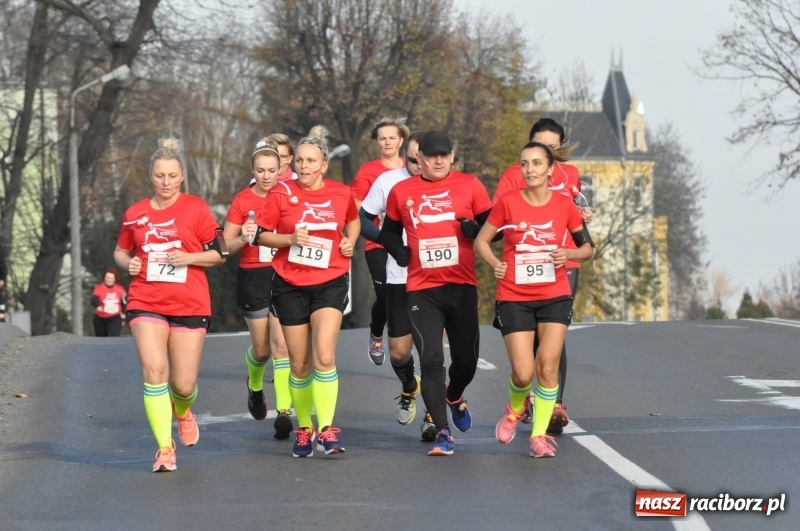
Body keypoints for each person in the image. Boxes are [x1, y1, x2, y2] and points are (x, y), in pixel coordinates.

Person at [114, 137, 227, 472]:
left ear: (182, 177)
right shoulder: (135, 213)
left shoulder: (196, 208)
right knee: (154, 372)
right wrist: (127, 264)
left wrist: (188, 257)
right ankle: (165, 448)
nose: (166, 182)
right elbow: (121, 250)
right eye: (160, 176)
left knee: (183, 385)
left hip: (190, 302)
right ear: (152, 176)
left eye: (172, 176)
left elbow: (220, 253)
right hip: (145, 299)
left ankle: (183, 409)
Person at [475, 141, 594, 457]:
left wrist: (568, 253)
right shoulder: (508, 203)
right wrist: (494, 263)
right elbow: (482, 241)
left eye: (537, 163)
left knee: (548, 366)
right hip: (514, 296)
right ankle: (515, 409)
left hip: (554, 295)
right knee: (524, 372)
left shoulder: (564, 206)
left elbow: (587, 249)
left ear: (550, 170)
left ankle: (538, 436)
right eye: (525, 164)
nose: (530, 170)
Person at [380, 130, 494, 456]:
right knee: (431, 359)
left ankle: (454, 395)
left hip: (461, 288)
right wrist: (395, 249)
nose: (439, 160)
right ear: (420, 158)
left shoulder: (470, 186)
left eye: (445, 154)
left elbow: (493, 228)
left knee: (467, 362)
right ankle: (443, 432)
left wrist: (476, 231)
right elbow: (388, 232)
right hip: (421, 290)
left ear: (453, 155)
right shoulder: (402, 192)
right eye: (432, 156)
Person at [254, 125, 360, 458]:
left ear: (323, 165)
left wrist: (350, 239)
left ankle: (326, 429)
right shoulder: (280, 194)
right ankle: (304, 429)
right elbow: (260, 235)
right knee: (299, 364)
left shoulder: (340, 193)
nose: (303, 166)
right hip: (289, 284)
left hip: (330, 280)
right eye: (299, 160)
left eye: (310, 161)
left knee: (324, 355)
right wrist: (289, 240)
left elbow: (353, 220)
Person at [359, 131, 436, 441]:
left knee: (430, 351)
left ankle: (433, 417)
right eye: (414, 159)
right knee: (399, 352)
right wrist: (387, 241)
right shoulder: (389, 182)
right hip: (399, 276)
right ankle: (408, 387)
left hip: (435, 279)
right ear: (407, 157)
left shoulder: (447, 185)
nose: (419, 164)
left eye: (424, 159)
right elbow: (363, 218)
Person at [224, 138, 292, 440]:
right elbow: (224, 245)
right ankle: (254, 386)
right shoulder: (242, 201)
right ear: (253, 169)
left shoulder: (288, 196)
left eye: (272, 170)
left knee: (281, 345)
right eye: (261, 170)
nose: (266, 176)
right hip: (253, 276)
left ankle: (284, 412)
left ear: (281, 170)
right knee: (263, 349)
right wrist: (244, 238)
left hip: (283, 275)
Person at [350, 116, 410, 365]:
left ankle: (409, 340)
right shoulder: (368, 171)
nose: (387, 143)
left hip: (412, 242)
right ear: (376, 142)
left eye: (392, 138)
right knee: (386, 294)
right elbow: (355, 208)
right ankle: (376, 332)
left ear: (401, 140)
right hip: (379, 243)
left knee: (412, 295)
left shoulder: (413, 166)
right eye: (382, 138)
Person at [90, 267, 127, 336]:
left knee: (112, 338)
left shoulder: (120, 289)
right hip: (100, 318)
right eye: (107, 277)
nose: (109, 280)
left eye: (111, 278)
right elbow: (93, 300)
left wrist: (123, 314)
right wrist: (97, 306)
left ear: (115, 279)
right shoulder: (99, 288)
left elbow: (124, 302)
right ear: (104, 278)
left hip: (115, 317)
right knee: (102, 339)